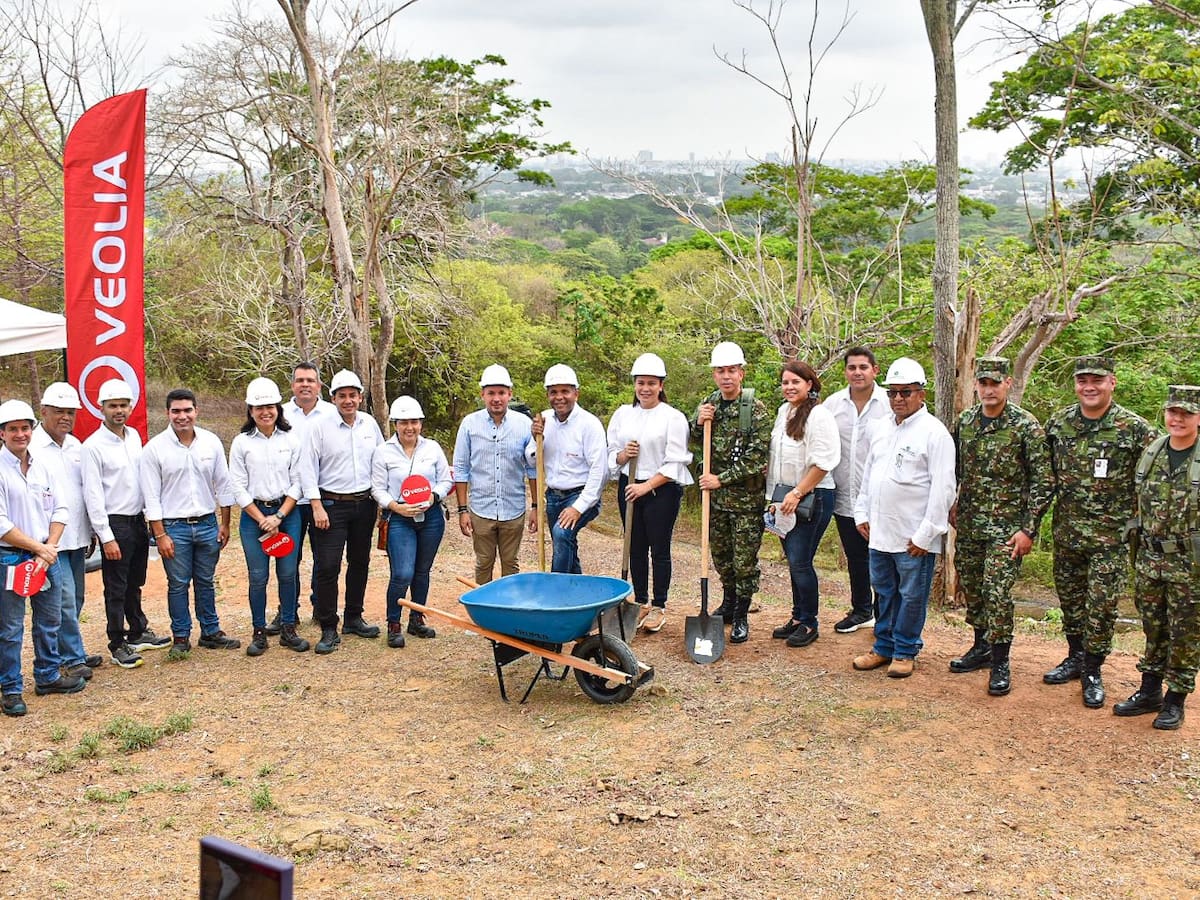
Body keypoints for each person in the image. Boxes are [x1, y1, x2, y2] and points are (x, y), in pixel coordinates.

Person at [1044, 356, 1156, 708]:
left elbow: (1154, 482)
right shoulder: (1059, 424)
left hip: (1112, 539)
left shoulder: (1135, 429)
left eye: (1097, 380)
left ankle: (1092, 670)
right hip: (1067, 534)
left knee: (1102, 606)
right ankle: (1075, 657)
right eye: (1083, 381)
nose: (1089, 387)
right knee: (1071, 602)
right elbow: (1043, 476)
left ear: (1112, 382)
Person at [948, 357, 1055, 696]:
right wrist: (951, 502)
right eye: (983, 383)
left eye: (995, 383)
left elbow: (1043, 481)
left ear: (1008, 383)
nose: (989, 389)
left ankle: (1000, 660)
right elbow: (954, 469)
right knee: (974, 589)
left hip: (1007, 530)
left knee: (997, 593)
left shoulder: (1025, 425)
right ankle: (981, 646)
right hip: (970, 524)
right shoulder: (966, 422)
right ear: (976, 385)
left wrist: (1029, 529)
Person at [852, 357, 955, 678]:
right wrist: (861, 512)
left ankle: (905, 650)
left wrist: (927, 533)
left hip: (913, 536)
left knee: (911, 596)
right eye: (892, 392)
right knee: (883, 591)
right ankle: (883, 646)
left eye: (905, 392)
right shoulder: (881, 428)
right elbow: (869, 476)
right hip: (880, 531)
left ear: (921, 393)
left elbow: (944, 489)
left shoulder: (934, 433)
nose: (898, 398)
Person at [1114, 385, 1200, 730]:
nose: (1178, 419)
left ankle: (1175, 698)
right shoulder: (1152, 452)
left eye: (1186, 413)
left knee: (1185, 633)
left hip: (1190, 565)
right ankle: (1149, 689)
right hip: (1150, 560)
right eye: (1172, 412)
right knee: (1153, 627)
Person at [140, 388, 240, 658]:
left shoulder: (211, 442)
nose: (182, 416)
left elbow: (223, 484)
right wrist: (160, 535)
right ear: (167, 413)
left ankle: (210, 631)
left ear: (196, 411)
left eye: (187, 410)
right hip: (174, 528)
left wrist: (225, 523)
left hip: (207, 524)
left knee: (206, 581)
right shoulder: (154, 449)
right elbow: (151, 497)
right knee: (178, 583)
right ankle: (181, 636)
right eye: (176, 411)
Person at [0, 399, 83, 717]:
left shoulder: (42, 466)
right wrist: (40, 548)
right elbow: (1, 524)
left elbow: (60, 509)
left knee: (49, 620)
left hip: (47, 556)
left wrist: (49, 548)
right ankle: (10, 689)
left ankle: (47, 675)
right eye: (13, 429)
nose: (20, 434)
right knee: (10, 628)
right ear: (2, 433)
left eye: (25, 428)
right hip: (12, 558)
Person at [81, 378, 170, 669]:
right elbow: (93, 494)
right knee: (116, 587)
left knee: (135, 580)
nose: (118, 410)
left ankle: (137, 630)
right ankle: (117, 642)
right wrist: (105, 536)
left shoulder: (133, 437)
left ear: (130, 407)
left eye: (123, 405)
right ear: (101, 408)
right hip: (115, 523)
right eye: (112, 406)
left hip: (136, 521)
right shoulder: (93, 447)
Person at [606, 353, 694, 632]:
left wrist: (646, 486)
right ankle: (640, 600)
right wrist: (623, 455)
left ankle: (659, 605)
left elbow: (676, 461)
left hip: (661, 490)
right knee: (634, 546)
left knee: (659, 548)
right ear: (634, 384)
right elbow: (611, 454)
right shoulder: (623, 414)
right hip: (629, 486)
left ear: (661, 385)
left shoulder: (673, 418)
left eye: (651, 383)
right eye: (641, 383)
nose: (645, 388)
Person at [690, 341, 771, 644]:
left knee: (744, 561)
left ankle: (741, 614)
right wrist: (698, 421)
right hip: (715, 502)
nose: (726, 376)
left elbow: (756, 458)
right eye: (721, 371)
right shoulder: (709, 404)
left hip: (745, 501)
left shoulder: (755, 410)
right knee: (722, 556)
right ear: (714, 374)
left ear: (741, 373)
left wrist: (720, 480)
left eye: (731, 371)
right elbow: (693, 438)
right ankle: (727, 602)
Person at [302, 369, 384, 654]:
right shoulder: (319, 427)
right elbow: (307, 468)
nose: (348, 400)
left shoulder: (369, 424)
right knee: (328, 566)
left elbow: (381, 461)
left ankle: (353, 618)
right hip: (330, 505)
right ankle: (328, 626)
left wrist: (381, 502)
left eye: (352, 395)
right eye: (342, 396)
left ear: (360, 397)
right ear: (333, 398)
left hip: (364, 504)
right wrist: (316, 506)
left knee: (359, 562)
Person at [229, 378, 309, 656]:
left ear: (278, 408)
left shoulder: (291, 439)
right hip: (254, 517)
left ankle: (288, 627)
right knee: (258, 576)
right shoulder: (241, 443)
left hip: (287, 514)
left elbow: (298, 482)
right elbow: (238, 486)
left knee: (288, 573)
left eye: (270, 407)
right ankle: (259, 631)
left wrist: (278, 516)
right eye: (259, 407)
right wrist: (262, 518)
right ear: (250, 411)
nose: (265, 412)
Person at [766, 361, 840, 649]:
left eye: (795, 382)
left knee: (800, 561)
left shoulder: (820, 416)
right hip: (784, 497)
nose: (789, 387)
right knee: (793, 561)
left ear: (810, 384)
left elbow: (824, 462)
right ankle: (797, 617)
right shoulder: (784, 412)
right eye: (785, 382)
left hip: (811, 497)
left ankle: (809, 622)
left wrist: (798, 493)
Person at [32, 383, 102, 680]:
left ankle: (67, 652)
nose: (65, 417)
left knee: (76, 598)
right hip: (49, 541)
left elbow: (84, 491)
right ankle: (73, 658)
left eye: (70, 412)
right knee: (62, 600)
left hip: (77, 536)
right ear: (43, 412)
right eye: (59, 411)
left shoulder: (76, 446)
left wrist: (92, 530)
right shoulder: (31, 448)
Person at [371, 396, 451, 648]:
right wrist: (396, 506)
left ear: (421, 423)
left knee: (422, 571)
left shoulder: (432, 448)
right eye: (404, 422)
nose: (409, 427)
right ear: (395, 424)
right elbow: (377, 488)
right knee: (402, 572)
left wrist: (433, 496)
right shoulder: (383, 451)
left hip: (431, 517)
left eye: (414, 422)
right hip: (399, 517)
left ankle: (416, 619)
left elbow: (445, 480)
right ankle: (393, 623)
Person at [265, 362, 338, 635]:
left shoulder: (332, 413)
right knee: (288, 560)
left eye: (310, 380)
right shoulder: (280, 414)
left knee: (324, 560)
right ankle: (288, 611)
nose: (305, 385)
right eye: (300, 380)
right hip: (290, 502)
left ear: (319, 385)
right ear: (292, 385)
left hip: (324, 501)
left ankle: (321, 607)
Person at [824, 346, 890, 633]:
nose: (857, 372)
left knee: (883, 558)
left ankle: (885, 615)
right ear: (845, 372)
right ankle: (862, 610)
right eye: (852, 367)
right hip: (844, 495)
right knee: (856, 557)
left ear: (875, 370)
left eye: (863, 367)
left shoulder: (889, 403)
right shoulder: (833, 405)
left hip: (880, 498)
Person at [452, 364, 537, 584]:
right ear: (483, 395)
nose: (496, 398)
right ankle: (483, 602)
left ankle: (508, 603)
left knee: (511, 562)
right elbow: (461, 469)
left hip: (513, 508)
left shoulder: (524, 425)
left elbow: (533, 468)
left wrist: (536, 507)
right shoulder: (470, 424)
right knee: (483, 562)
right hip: (481, 508)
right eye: (491, 393)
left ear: (510, 394)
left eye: (501, 393)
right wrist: (462, 510)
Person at [529, 364, 607, 574]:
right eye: (553, 392)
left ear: (576, 393)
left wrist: (578, 507)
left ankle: (555, 588)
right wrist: (536, 437)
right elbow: (530, 460)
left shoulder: (589, 424)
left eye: (565, 391)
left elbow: (600, 471)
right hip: (553, 496)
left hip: (581, 494)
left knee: (562, 534)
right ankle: (577, 589)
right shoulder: (544, 421)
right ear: (548, 395)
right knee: (565, 545)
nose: (559, 397)